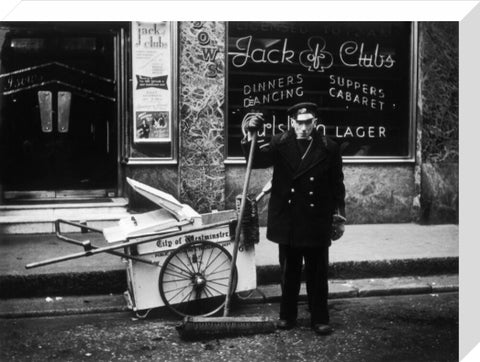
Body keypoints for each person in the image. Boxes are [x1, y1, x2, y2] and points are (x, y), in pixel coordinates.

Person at [241, 102, 346, 335]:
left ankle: (319, 317)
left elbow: (337, 183)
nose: (304, 127)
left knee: (317, 273)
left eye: (309, 122)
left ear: (315, 122)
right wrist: (250, 134)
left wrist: (339, 216)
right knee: (289, 271)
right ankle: (287, 315)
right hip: (288, 218)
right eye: (299, 122)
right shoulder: (280, 142)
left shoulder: (329, 147)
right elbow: (255, 160)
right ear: (292, 122)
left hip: (317, 218)